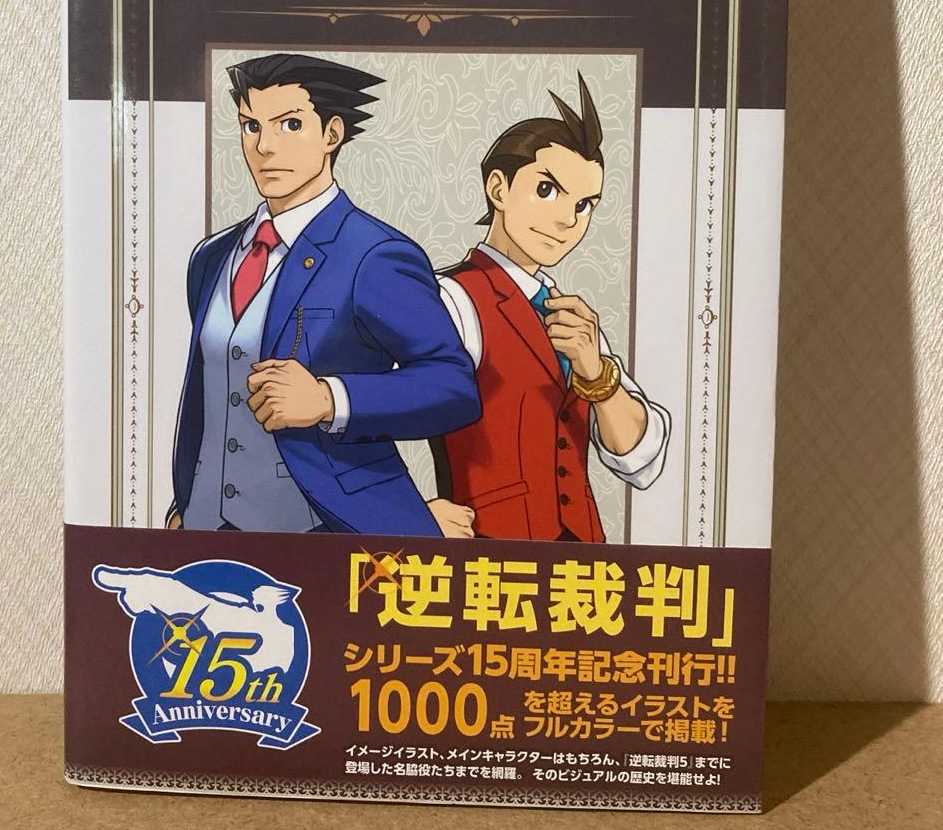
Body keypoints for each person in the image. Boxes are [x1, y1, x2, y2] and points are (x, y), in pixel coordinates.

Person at [167, 53, 480, 536]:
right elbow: (205, 395)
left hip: (325, 527)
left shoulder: (375, 254)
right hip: (207, 527)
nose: (265, 146)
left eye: (290, 124)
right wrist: (185, 505)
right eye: (251, 126)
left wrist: (328, 398)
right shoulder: (211, 257)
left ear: (332, 134)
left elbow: (453, 385)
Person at [433, 72, 670, 541]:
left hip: (582, 559)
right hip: (487, 554)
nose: (567, 220)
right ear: (498, 189)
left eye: (585, 205)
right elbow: (362, 410)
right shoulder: (450, 299)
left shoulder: (572, 316)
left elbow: (639, 461)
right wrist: (410, 513)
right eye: (547, 190)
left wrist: (595, 373)